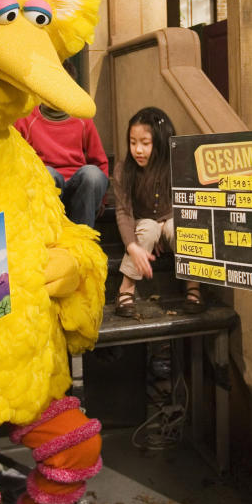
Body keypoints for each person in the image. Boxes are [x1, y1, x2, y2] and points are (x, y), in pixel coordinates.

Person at [111, 106, 204, 317]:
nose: (138, 150)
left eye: (145, 143)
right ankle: (126, 288)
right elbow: (123, 212)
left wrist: (165, 221)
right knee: (149, 229)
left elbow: (187, 203)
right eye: (133, 143)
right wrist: (132, 247)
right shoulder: (123, 170)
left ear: (161, 143)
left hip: (171, 220)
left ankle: (193, 286)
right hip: (142, 225)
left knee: (177, 227)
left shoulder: (176, 166)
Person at [14, 60, 109, 228]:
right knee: (48, 174)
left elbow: (99, 161)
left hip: (78, 190)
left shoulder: (82, 118)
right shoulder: (26, 119)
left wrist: (102, 198)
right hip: (46, 191)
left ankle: (83, 239)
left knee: (92, 174)